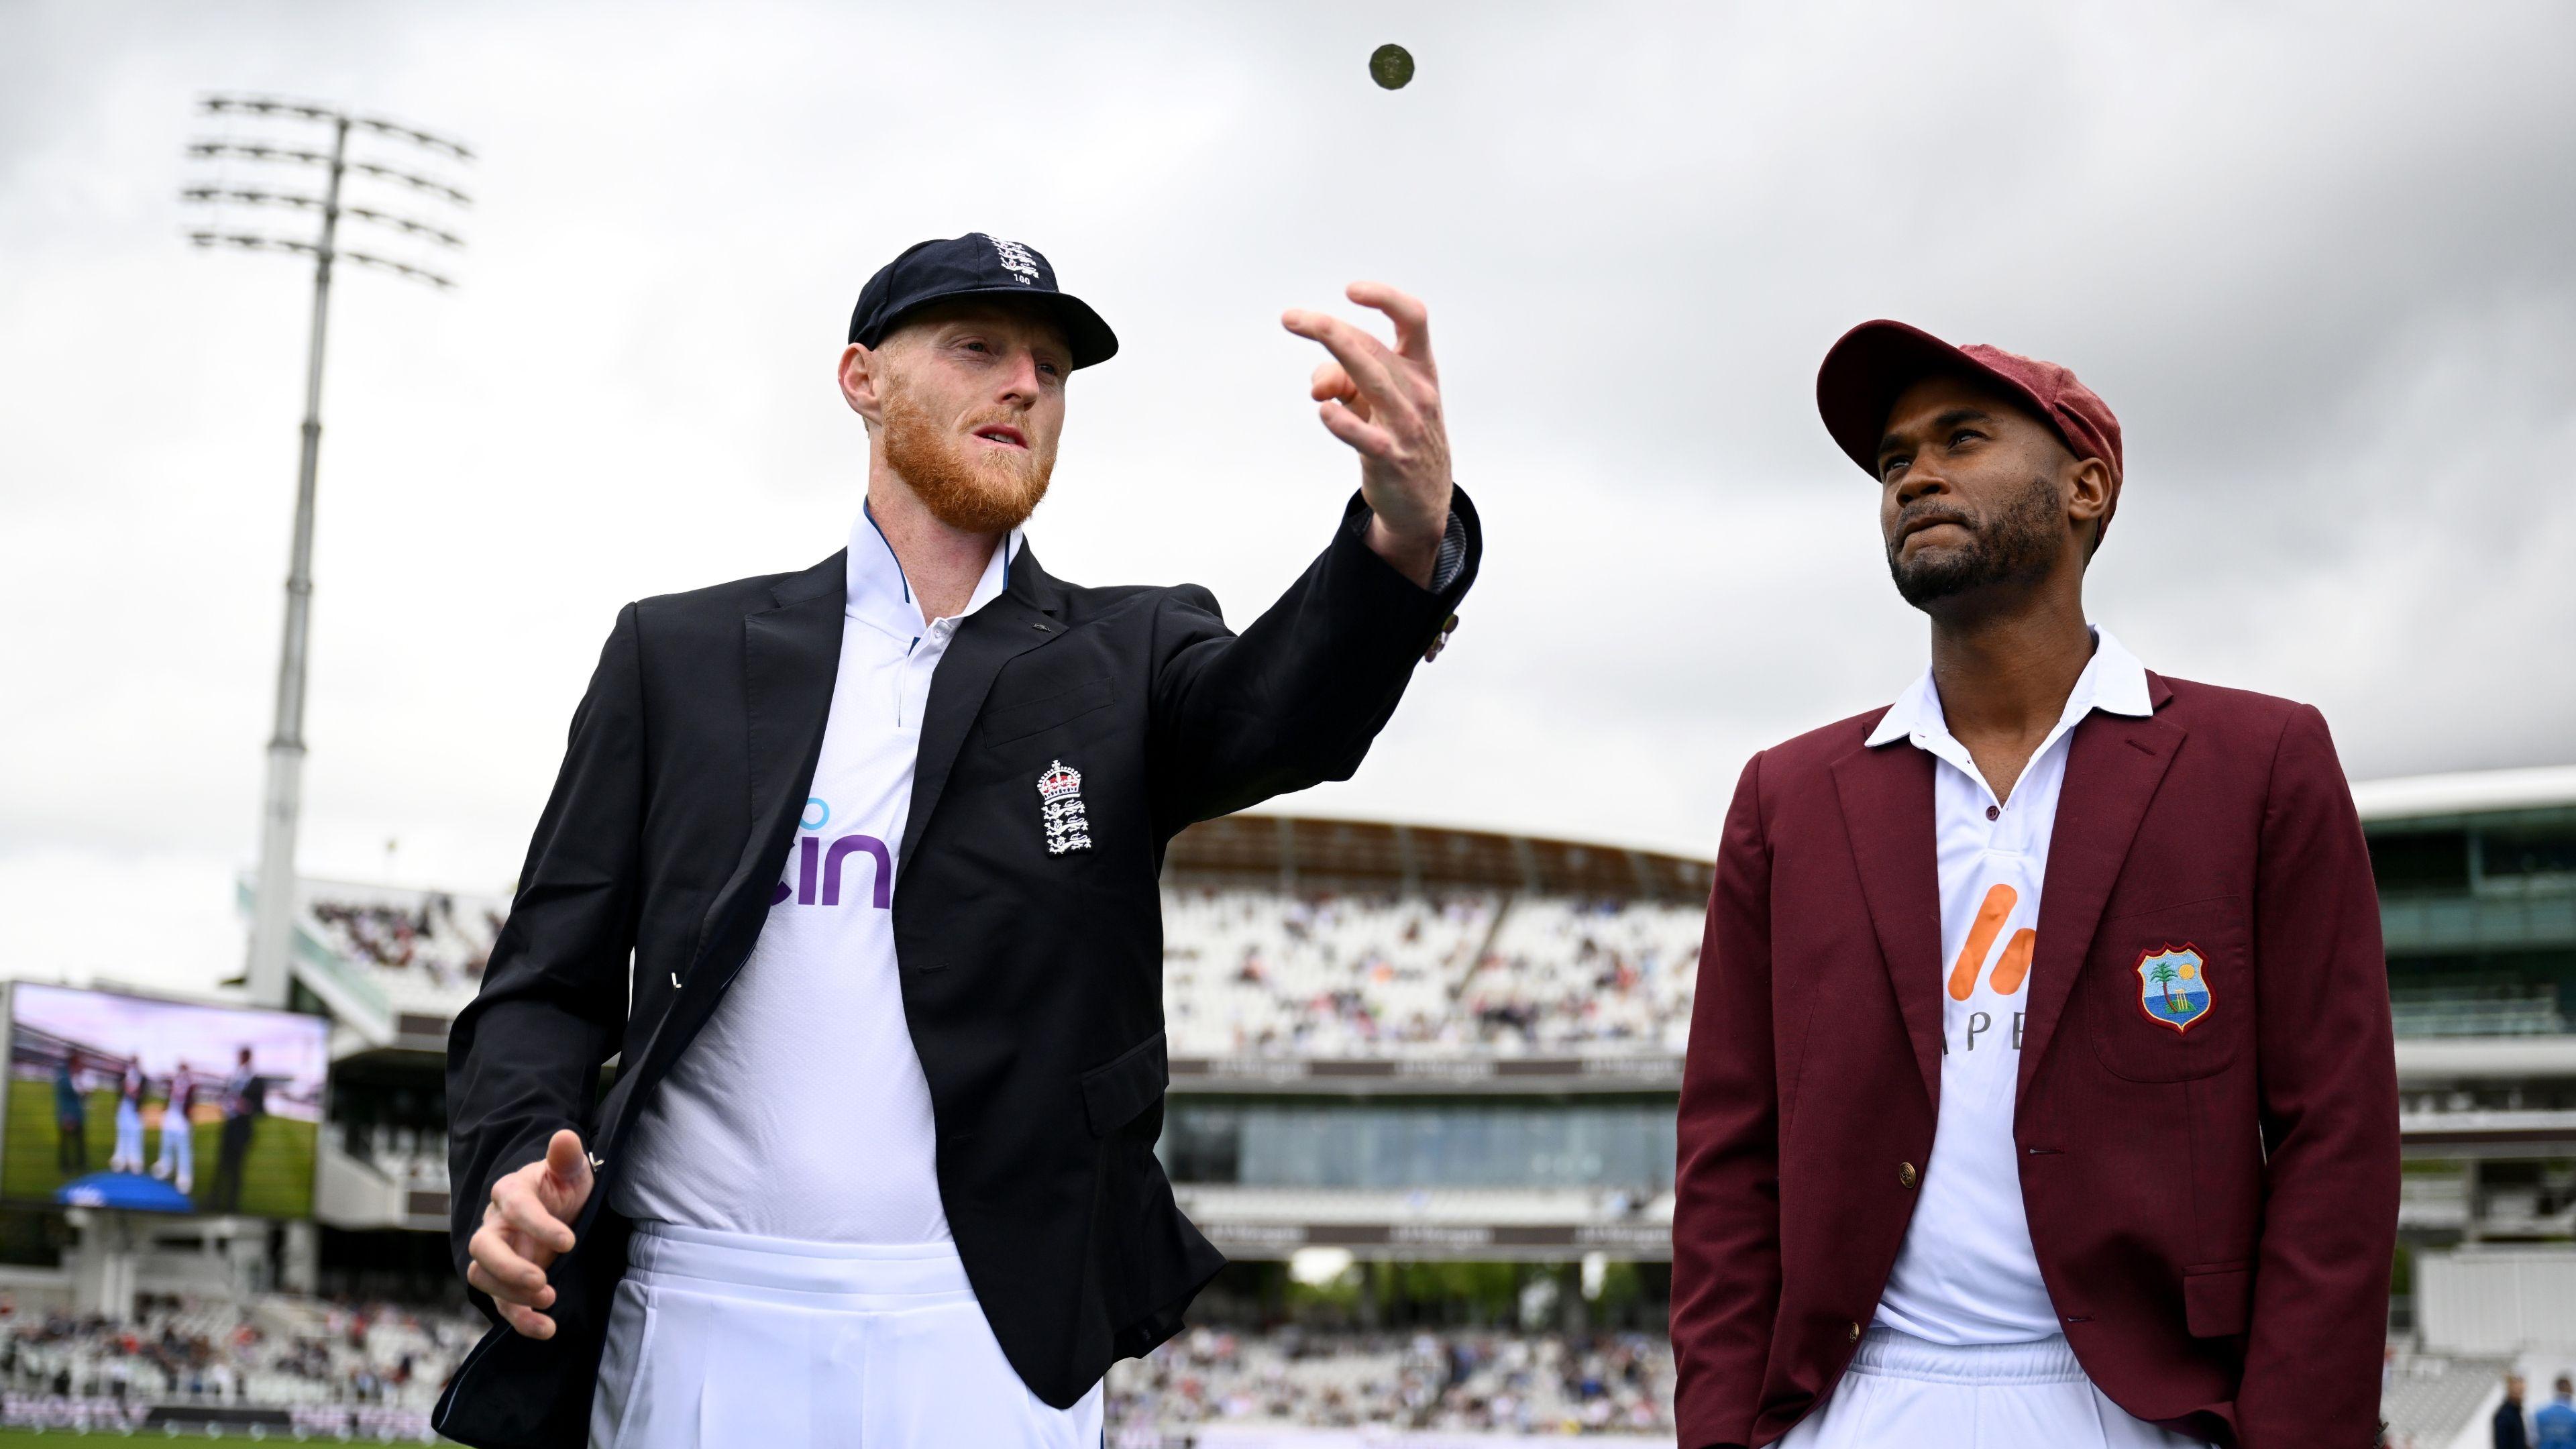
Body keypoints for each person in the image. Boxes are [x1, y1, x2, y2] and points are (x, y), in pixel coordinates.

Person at [435, 233, 1477, 1448]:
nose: (1026, 384)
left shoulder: (1132, 653)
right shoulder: (676, 658)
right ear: (861, 379)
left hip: (990, 1328)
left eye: (1053, 366)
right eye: (979, 347)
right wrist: (510, 1172)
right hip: (701, 1308)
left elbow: (1287, 710)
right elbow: (543, 989)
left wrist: (1406, 535)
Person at [1669, 321, 2399, 1449]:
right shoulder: (1788, 797)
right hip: (1857, 1402)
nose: (1915, 474)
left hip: (2142, 1407)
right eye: (1892, 459)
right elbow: (1728, 1160)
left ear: (2086, 488)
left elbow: (2337, 1142)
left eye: (1961, 437)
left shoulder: (2261, 763)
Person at [209, 1047, 263, 1214]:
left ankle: (232, 1205)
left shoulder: (256, 1081)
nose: (240, 1059)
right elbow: (225, 1097)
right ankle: (214, 1201)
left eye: (242, 1056)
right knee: (221, 1165)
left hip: (242, 1130)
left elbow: (261, 1110)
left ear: (247, 1058)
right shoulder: (234, 1077)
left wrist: (247, 1107)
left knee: (236, 1169)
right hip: (229, 1127)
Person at [154, 1061, 197, 1195]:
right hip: (172, 1117)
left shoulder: (190, 1084)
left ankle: (184, 1178)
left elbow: (188, 1100)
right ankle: (165, 1168)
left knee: (183, 1149)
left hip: (181, 1120)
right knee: (166, 1144)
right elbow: (171, 1097)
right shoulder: (175, 1081)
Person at [109, 1061, 146, 1173]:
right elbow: (119, 1089)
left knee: (135, 1134)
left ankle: (135, 1161)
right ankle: (120, 1160)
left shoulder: (142, 1078)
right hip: (124, 1108)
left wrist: (136, 1095)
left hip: (135, 1110)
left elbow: (143, 1093)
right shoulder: (124, 1076)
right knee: (122, 1133)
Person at [52, 1060, 86, 1175]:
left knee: (79, 1141)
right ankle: (65, 1166)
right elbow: (65, 1099)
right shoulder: (65, 1079)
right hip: (68, 1115)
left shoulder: (74, 1077)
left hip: (78, 1115)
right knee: (66, 1143)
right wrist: (66, 1116)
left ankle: (80, 1164)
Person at [2534, 1375, 2575, 1447]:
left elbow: (2533, 1440)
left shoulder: (2540, 1414)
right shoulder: (2574, 1415)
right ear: (2571, 1391)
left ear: (2556, 1389)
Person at [2500, 1375, 2532, 1449]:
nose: (2520, 1395)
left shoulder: (2517, 1413)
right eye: (2517, 1392)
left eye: (2521, 1392)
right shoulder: (2504, 1415)